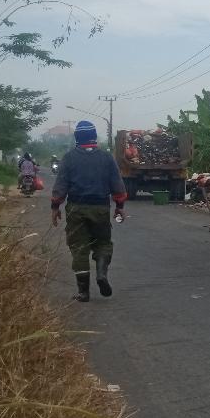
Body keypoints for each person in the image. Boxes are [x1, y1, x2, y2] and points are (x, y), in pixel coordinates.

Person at [51, 121, 127, 302]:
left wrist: (55, 207)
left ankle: (83, 292)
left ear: (77, 138)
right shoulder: (107, 158)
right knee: (103, 243)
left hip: (76, 209)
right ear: (94, 136)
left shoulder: (69, 158)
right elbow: (118, 185)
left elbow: (60, 186)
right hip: (100, 208)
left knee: (79, 248)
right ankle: (101, 274)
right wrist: (120, 207)